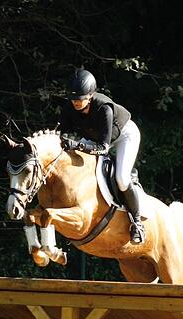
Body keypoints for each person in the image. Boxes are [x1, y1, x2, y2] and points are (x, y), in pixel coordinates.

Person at [58, 69, 146, 244]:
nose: (76, 102)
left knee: (121, 178)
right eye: (73, 99)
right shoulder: (70, 107)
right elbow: (61, 134)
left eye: (80, 98)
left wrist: (77, 144)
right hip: (95, 138)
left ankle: (137, 223)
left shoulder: (103, 108)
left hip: (123, 136)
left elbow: (103, 148)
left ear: (90, 95)